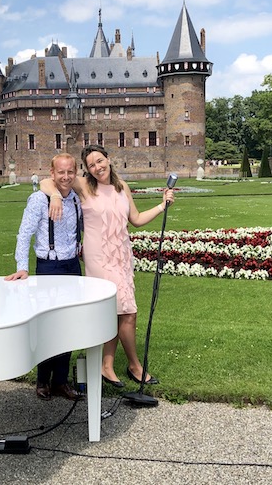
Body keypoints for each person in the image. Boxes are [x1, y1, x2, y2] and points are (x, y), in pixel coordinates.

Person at [40, 144, 174, 388]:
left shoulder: (122, 187)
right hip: (99, 257)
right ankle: (134, 365)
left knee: (118, 311)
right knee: (127, 312)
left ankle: (107, 366)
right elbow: (46, 182)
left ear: (108, 160)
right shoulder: (83, 185)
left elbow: (136, 219)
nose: (97, 167)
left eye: (100, 161)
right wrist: (57, 196)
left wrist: (162, 206)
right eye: (91, 165)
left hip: (121, 255)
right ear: (87, 169)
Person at [5, 153, 83, 401]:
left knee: (68, 326)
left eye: (70, 172)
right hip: (49, 268)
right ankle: (42, 380)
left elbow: (74, 232)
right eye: (61, 172)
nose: (66, 176)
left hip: (72, 267)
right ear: (52, 173)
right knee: (48, 327)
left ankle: (60, 382)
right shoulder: (39, 199)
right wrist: (22, 267)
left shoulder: (76, 200)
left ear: (75, 172)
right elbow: (24, 234)